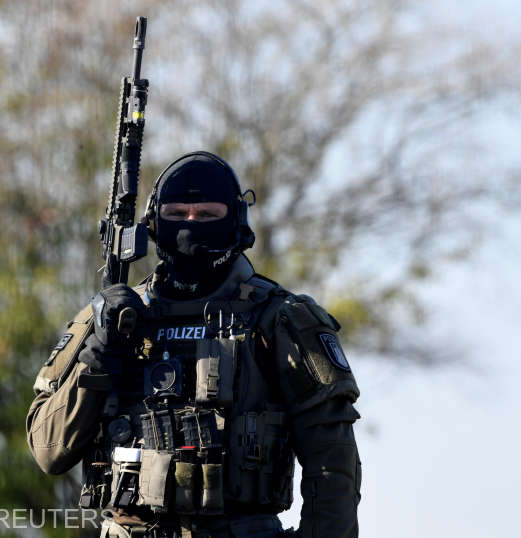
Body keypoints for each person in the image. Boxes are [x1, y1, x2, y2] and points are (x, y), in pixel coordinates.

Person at [26, 151, 361, 538]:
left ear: (235, 221)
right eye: (176, 214)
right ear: (154, 224)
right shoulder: (112, 319)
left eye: (207, 214)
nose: (190, 225)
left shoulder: (280, 319)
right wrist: (97, 358)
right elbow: (48, 450)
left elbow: (333, 465)